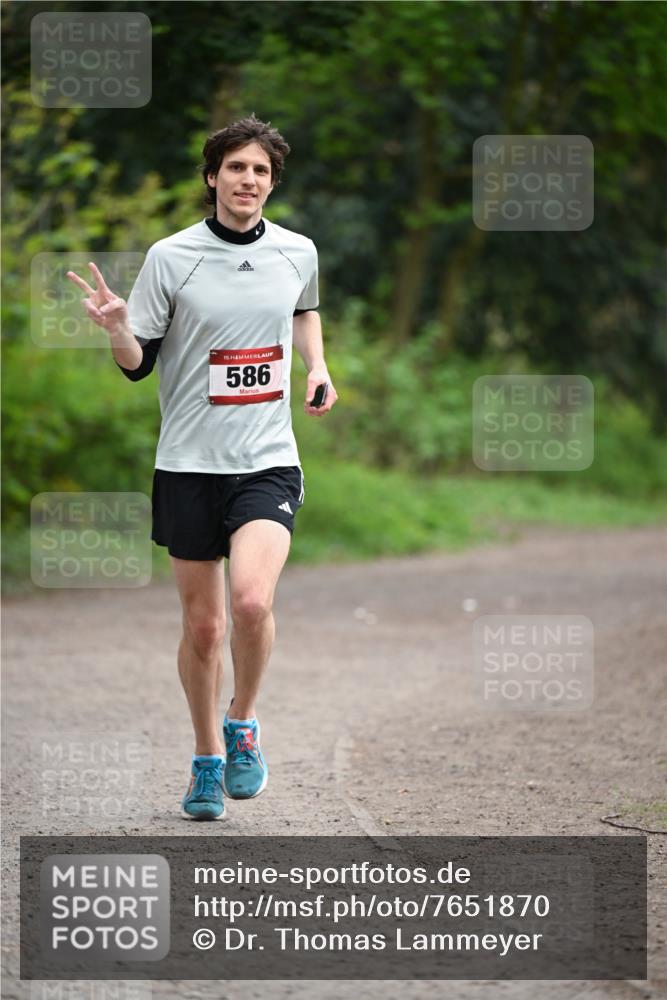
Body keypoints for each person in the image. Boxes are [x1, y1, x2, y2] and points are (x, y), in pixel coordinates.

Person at [67, 114, 337, 821]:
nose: (248, 180)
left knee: (251, 602)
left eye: (261, 171)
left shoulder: (295, 250)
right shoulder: (172, 256)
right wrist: (119, 328)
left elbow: (304, 310)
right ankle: (206, 759)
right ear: (212, 176)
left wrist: (318, 369)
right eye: (236, 168)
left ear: (272, 184)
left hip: (267, 459)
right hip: (188, 464)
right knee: (205, 628)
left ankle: (242, 723)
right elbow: (139, 366)